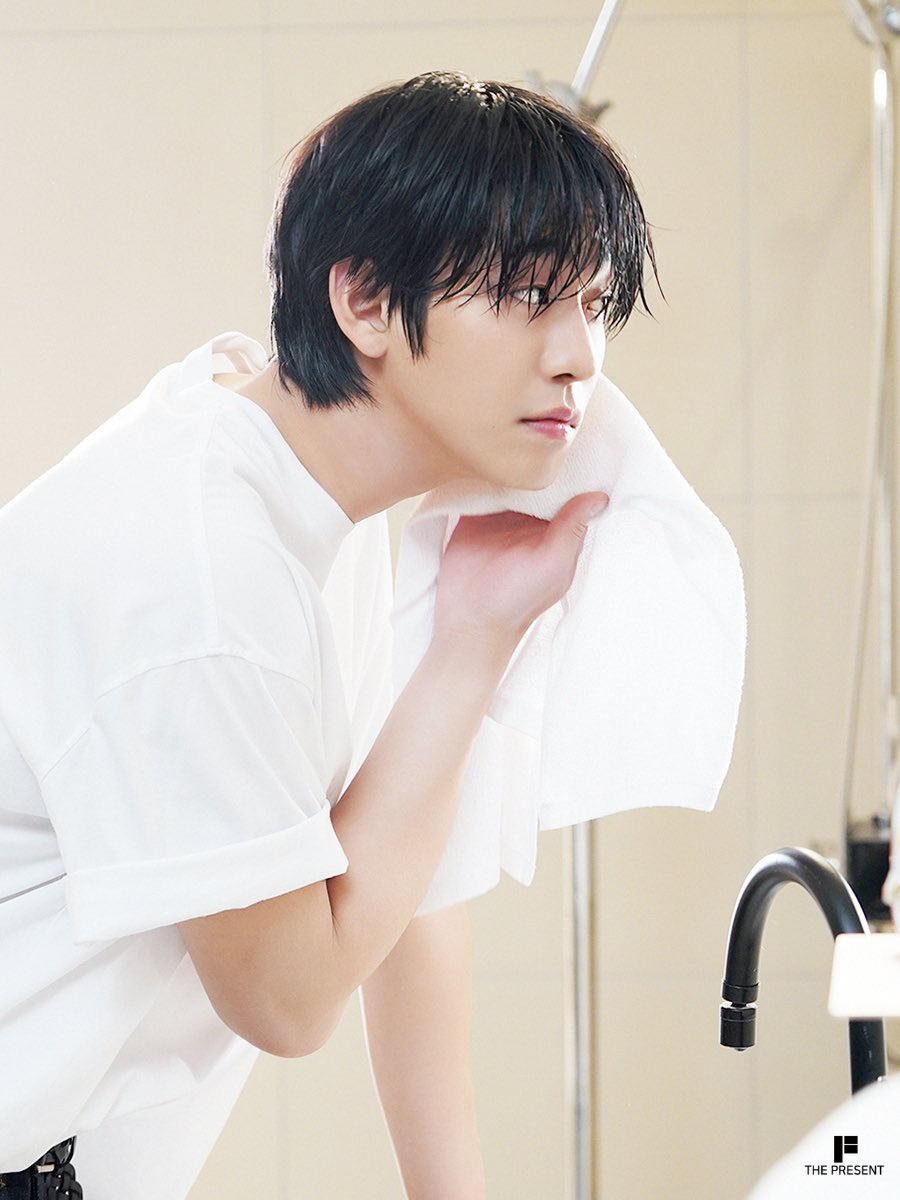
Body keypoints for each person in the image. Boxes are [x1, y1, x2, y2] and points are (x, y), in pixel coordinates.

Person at [0, 70, 653, 1199]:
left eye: (593, 305)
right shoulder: (201, 572)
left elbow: (403, 896)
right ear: (364, 299)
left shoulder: (302, 495)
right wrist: (472, 641)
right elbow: (289, 997)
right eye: (529, 295)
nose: (579, 357)